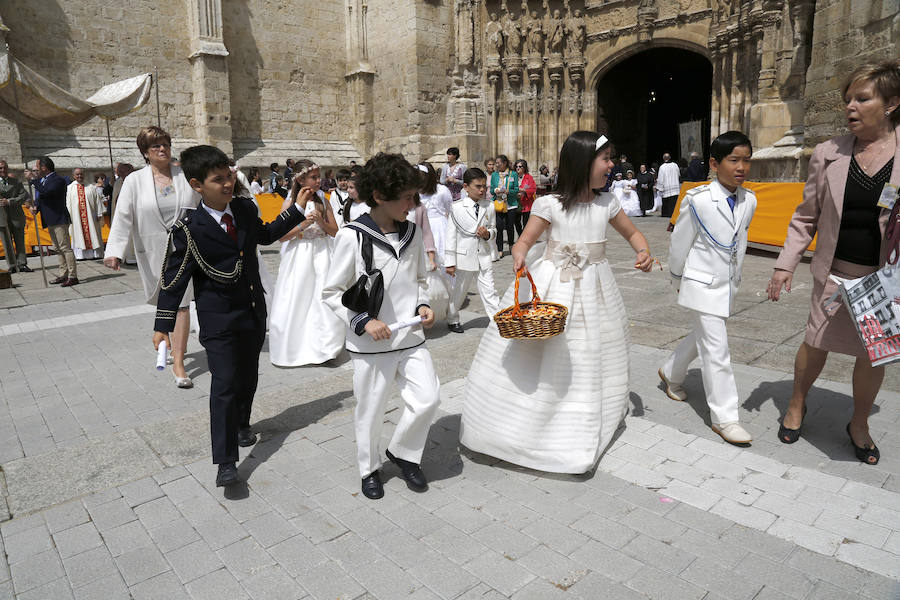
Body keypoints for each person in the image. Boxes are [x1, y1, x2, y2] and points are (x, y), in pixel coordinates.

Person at [460, 132, 654, 473]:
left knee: (588, 351)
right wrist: (519, 256)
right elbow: (524, 241)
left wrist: (643, 250)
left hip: (594, 286)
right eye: (606, 159)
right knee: (545, 349)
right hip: (554, 284)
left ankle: (578, 424)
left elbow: (633, 233)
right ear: (582, 163)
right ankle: (528, 418)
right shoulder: (549, 204)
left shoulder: (607, 203)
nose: (611, 165)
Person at [767, 59, 900, 464]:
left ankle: (859, 423)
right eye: (848, 100)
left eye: (862, 98)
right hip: (834, 273)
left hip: (883, 279)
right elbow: (806, 216)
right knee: (815, 341)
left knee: (870, 353)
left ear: (892, 103)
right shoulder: (828, 154)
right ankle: (796, 403)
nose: (851, 107)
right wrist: (785, 263)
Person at [152, 145, 308, 487]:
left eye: (228, 177)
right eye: (217, 180)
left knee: (248, 375)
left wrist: (298, 205)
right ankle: (225, 460)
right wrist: (162, 326)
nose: (226, 185)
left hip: (252, 309)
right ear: (197, 184)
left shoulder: (243, 208)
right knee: (223, 383)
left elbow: (266, 234)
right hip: (218, 318)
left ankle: (241, 424)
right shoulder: (188, 228)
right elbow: (173, 279)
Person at [322, 152, 440, 499]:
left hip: (411, 336)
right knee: (371, 410)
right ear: (378, 197)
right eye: (405, 196)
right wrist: (363, 320)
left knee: (428, 398)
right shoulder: (352, 236)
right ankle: (369, 469)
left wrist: (423, 303)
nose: (412, 203)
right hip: (371, 344)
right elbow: (331, 292)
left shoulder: (413, 231)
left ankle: (403, 452)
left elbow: (420, 278)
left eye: (414, 196)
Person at [659, 131, 758, 445]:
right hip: (700, 285)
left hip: (727, 286)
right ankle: (725, 418)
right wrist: (677, 280)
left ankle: (671, 372)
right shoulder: (698, 200)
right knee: (717, 350)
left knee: (704, 337)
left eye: (747, 160)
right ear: (714, 163)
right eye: (734, 160)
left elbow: (738, 244)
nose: (741, 167)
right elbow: (680, 244)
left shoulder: (749, 200)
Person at [105, 126, 201, 388]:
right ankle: (163, 334)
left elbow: (202, 203)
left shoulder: (185, 175)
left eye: (166, 144)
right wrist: (115, 251)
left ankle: (179, 362)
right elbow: (123, 215)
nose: (162, 149)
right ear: (146, 153)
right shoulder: (135, 181)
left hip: (184, 249)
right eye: (156, 146)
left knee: (181, 303)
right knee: (163, 296)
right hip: (152, 248)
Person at [268, 160, 343, 366]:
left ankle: (325, 347)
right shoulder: (291, 202)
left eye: (319, 177)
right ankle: (295, 346)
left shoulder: (323, 200)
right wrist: (304, 223)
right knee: (298, 297)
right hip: (299, 254)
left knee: (322, 298)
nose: (319, 181)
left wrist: (320, 222)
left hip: (321, 253)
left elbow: (335, 231)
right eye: (314, 177)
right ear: (301, 180)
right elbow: (281, 236)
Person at [444, 167, 500, 333]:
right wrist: (450, 262)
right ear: (466, 187)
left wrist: (487, 234)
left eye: (484, 186)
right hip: (464, 256)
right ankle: (452, 318)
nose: (482, 190)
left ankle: (497, 320)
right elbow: (451, 237)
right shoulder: (457, 207)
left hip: (483, 255)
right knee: (459, 292)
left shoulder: (489, 206)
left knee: (490, 290)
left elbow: (494, 229)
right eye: (478, 186)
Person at [31, 157, 78, 286]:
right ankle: (63, 274)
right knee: (57, 249)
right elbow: (42, 198)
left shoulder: (57, 179)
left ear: (44, 167)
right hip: (49, 218)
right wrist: (36, 206)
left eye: (37, 167)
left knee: (65, 248)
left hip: (59, 218)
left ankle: (73, 276)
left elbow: (47, 192)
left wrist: (34, 180)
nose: (36, 169)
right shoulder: (43, 180)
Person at [66, 168, 105, 260]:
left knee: (93, 233)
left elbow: (97, 201)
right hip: (77, 218)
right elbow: (68, 203)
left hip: (91, 217)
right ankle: (80, 255)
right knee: (79, 233)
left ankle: (95, 254)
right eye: (77, 174)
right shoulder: (70, 188)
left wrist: (99, 213)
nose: (80, 176)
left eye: (81, 174)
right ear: (73, 176)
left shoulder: (91, 187)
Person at [417, 163, 453, 260]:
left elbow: (449, 208)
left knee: (441, 253)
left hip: (439, 227)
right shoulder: (414, 192)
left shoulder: (442, 191)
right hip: (420, 226)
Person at [0, 160, 31, 273]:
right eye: (0, 168)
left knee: (20, 241)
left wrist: (10, 201)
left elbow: (23, 196)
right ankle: (12, 265)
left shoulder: (16, 182)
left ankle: (22, 264)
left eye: (4, 167)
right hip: (2, 217)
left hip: (16, 215)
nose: (3, 170)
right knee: (6, 242)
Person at [490, 154, 519, 255]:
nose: (497, 165)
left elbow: (516, 189)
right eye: (496, 163)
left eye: (498, 163)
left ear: (505, 163)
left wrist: (508, 191)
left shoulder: (513, 174)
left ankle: (511, 245)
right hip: (498, 203)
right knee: (499, 226)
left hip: (511, 204)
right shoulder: (494, 175)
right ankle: (500, 249)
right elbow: (491, 189)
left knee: (510, 226)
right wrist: (496, 190)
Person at [657, 152, 681, 217]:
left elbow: (660, 178)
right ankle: (674, 214)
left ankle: (666, 214)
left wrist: (660, 188)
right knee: (674, 202)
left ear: (663, 158)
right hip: (675, 187)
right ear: (670, 158)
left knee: (666, 202)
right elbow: (679, 175)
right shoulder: (675, 165)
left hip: (666, 187)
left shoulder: (662, 167)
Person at [515, 159, 536, 229]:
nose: (518, 168)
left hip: (526, 204)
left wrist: (525, 192)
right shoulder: (512, 177)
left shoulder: (529, 177)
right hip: (516, 203)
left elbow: (533, 189)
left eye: (520, 166)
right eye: (516, 166)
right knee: (516, 222)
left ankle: (524, 238)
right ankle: (521, 236)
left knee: (526, 223)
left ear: (524, 168)